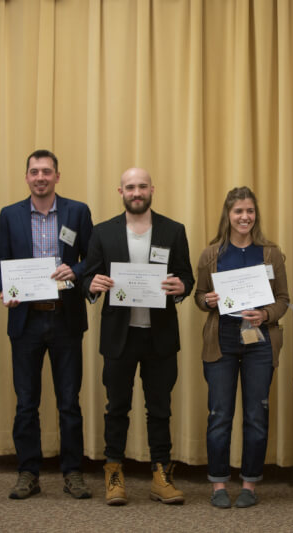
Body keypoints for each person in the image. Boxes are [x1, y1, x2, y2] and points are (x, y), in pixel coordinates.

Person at [82, 167, 194, 506]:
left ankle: (161, 476)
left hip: (159, 336)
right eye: (130, 187)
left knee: (160, 409)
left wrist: (181, 288)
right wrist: (92, 285)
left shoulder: (173, 230)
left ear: (152, 189)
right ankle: (114, 474)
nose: (136, 192)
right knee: (116, 408)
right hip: (120, 336)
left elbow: (186, 277)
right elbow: (89, 276)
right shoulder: (103, 232)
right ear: (121, 191)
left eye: (142, 186)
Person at [0, 149, 93, 500]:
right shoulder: (9, 215)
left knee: (69, 400)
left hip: (65, 318)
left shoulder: (77, 212)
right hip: (26, 320)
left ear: (57, 176)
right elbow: (0, 264)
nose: (40, 177)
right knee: (26, 402)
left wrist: (76, 270)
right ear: (26, 177)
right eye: (34, 171)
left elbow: (91, 260)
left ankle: (73, 473)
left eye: (46, 171)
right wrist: (6, 289)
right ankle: (28, 472)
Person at [194, 187, 289, 508]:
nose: (244, 217)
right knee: (219, 415)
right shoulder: (211, 254)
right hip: (222, 340)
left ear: (255, 215)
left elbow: (284, 300)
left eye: (249, 211)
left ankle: (250, 484)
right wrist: (206, 300)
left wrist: (265, 314)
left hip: (259, 341)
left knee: (256, 415)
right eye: (238, 212)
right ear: (228, 215)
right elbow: (200, 295)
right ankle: (218, 485)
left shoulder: (271, 253)